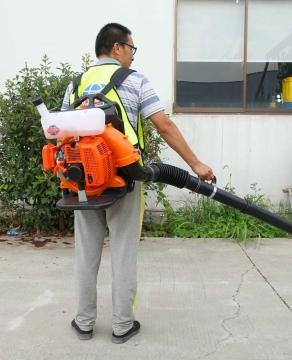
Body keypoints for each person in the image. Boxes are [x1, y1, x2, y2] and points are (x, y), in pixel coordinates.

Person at [61, 23, 214, 344]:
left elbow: (60, 134)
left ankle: (84, 322)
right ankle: (121, 325)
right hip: (125, 180)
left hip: (83, 183)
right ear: (116, 47)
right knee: (124, 252)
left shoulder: (74, 86)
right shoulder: (136, 81)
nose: (132, 55)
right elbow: (164, 125)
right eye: (131, 48)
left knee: (86, 255)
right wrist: (195, 164)